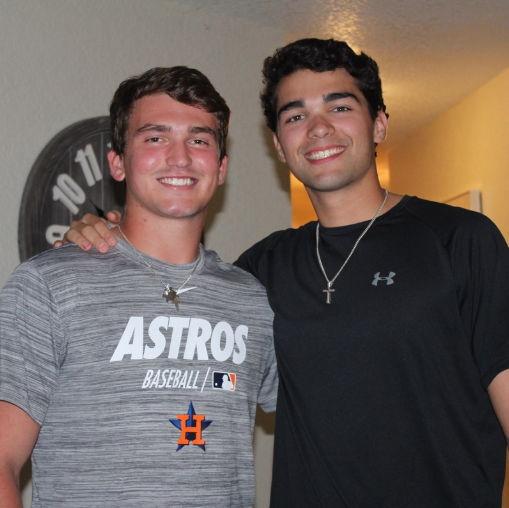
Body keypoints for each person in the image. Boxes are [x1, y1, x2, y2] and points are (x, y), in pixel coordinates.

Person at [61, 39, 509, 507]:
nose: (318, 128)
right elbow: (173, 312)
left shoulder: (459, 240)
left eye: (339, 107)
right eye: (295, 116)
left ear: (378, 123)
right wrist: (101, 237)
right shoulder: (261, 271)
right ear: (278, 144)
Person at [0, 66, 277, 507]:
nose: (180, 157)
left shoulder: (252, 299)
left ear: (221, 167)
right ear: (117, 162)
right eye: (155, 138)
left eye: (200, 140)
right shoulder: (49, 285)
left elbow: (325, 416)